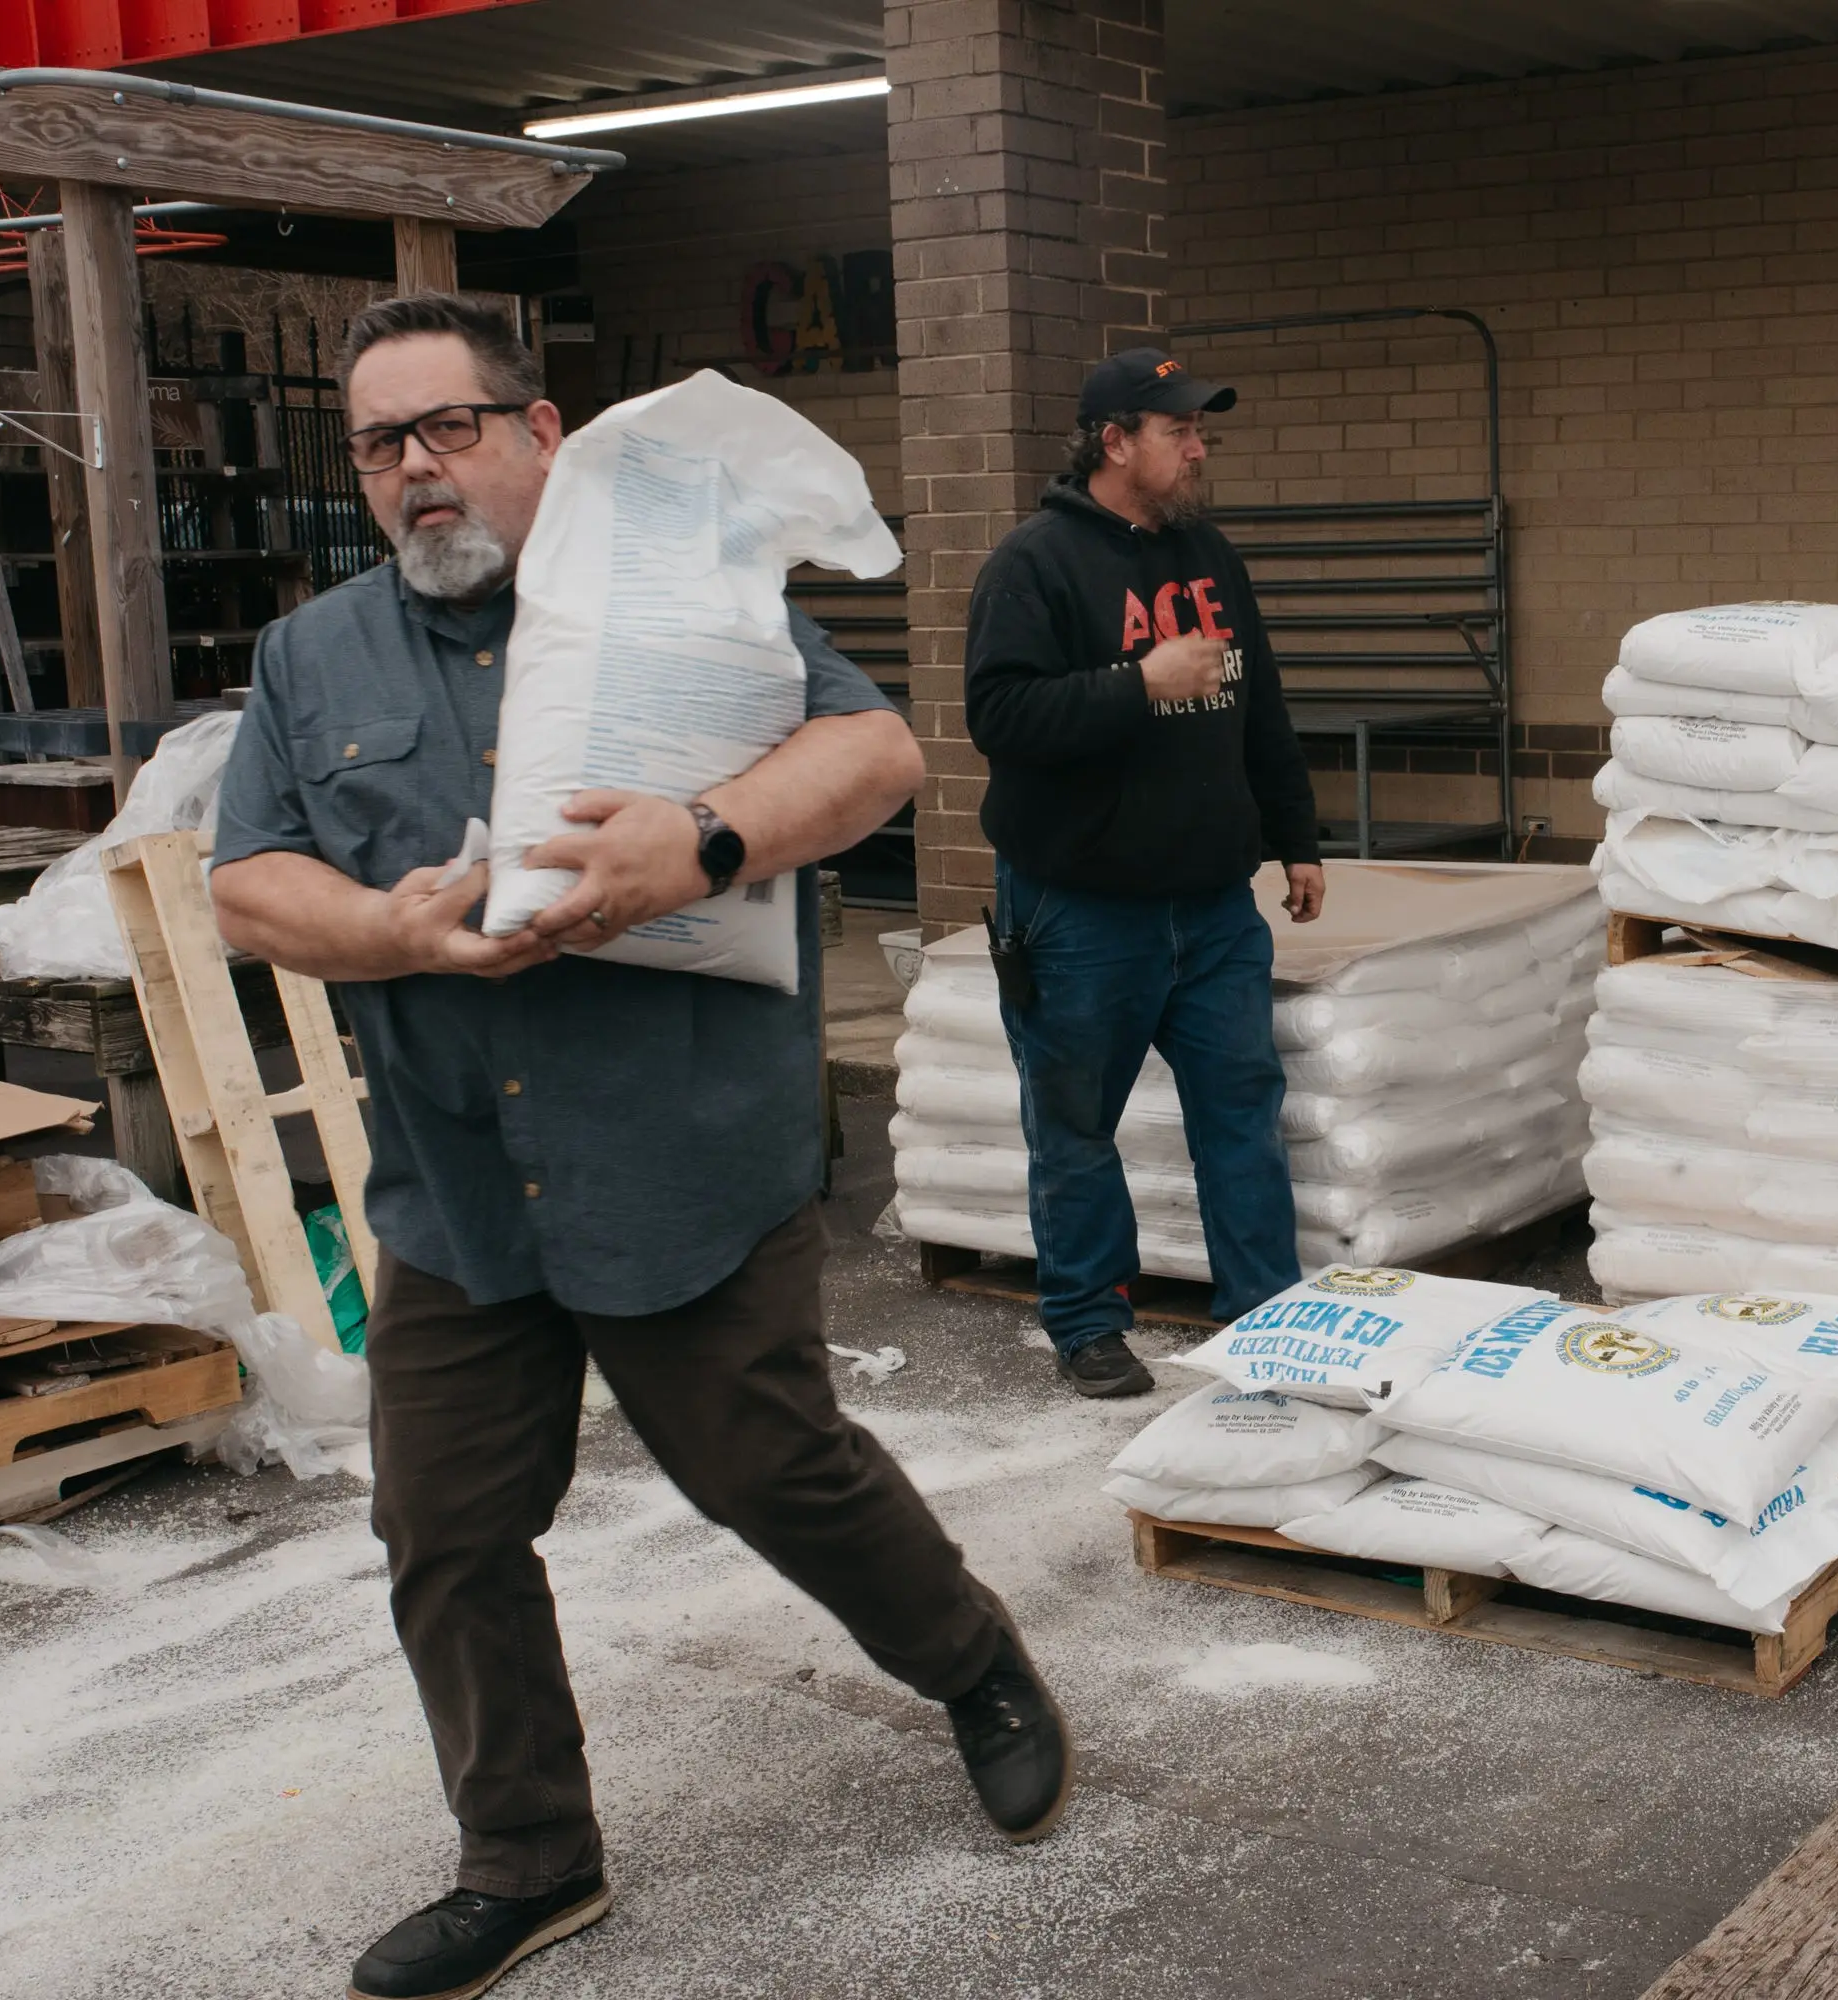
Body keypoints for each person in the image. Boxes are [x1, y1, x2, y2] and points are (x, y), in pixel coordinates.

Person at [210, 295, 1070, 2000]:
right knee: (444, 1532)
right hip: (459, 1182)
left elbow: (876, 752)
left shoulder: (670, 603)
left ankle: (973, 1662)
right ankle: (527, 1859)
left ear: (540, 435)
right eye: (380, 446)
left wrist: (708, 831)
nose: (414, 474)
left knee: (774, 1475)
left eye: (447, 430)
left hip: (683, 1154)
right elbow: (248, 883)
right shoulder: (315, 658)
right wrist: (391, 932)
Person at [964, 348, 1324, 1398]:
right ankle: (1087, 1322)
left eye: (1201, 428)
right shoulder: (1033, 564)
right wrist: (1138, 683)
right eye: (1179, 430)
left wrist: (1295, 834)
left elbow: (1262, 707)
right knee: (1075, 1123)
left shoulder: (1211, 557)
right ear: (1114, 442)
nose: (1199, 446)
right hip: (1080, 909)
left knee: (1241, 1112)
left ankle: (1267, 1316)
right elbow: (1001, 716)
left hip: (1213, 903)